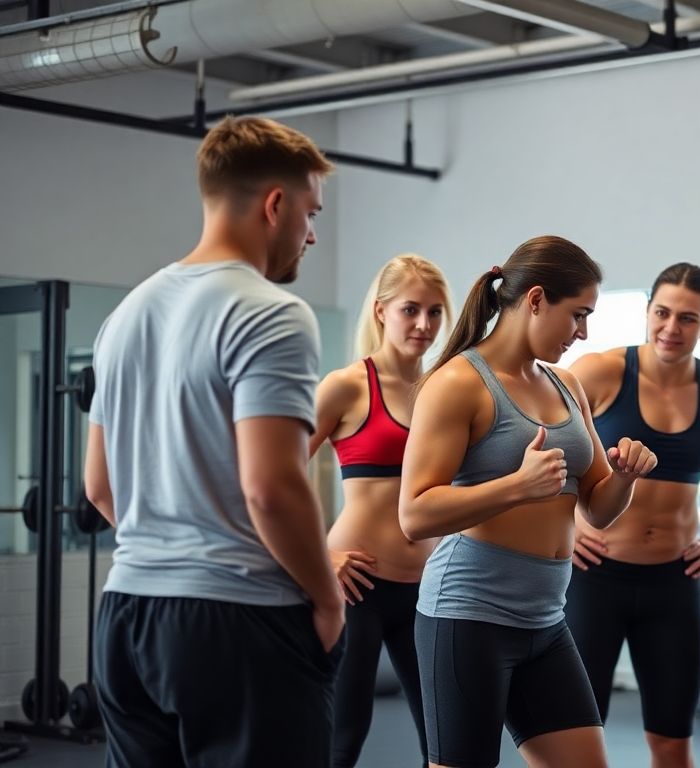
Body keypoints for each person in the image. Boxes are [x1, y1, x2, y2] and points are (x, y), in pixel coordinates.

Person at [82, 116, 343, 767]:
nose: (311, 234)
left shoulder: (126, 314)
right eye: (310, 214)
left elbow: (98, 485)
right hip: (237, 619)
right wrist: (327, 596)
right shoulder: (269, 310)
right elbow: (272, 486)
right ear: (274, 204)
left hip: (125, 616)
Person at [399, 235, 658, 768]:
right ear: (536, 299)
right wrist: (516, 486)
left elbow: (598, 509)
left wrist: (627, 477)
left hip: (544, 618)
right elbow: (414, 514)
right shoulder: (458, 384)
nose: (583, 332)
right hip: (467, 615)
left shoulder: (566, 384)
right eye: (578, 315)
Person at [565, 263, 700, 768]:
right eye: (662, 313)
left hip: (675, 583)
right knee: (575, 735)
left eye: (687, 318)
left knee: (672, 742)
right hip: (593, 577)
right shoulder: (599, 371)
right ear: (647, 311)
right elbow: (534, 447)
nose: (671, 328)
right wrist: (563, 529)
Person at [310, 254, 451, 768]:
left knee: (445, 736)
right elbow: (273, 475)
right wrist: (321, 559)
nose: (423, 324)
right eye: (410, 309)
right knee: (343, 735)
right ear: (380, 311)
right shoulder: (347, 385)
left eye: (435, 312)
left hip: (429, 586)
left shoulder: (445, 389)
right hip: (358, 585)